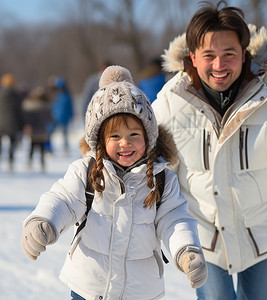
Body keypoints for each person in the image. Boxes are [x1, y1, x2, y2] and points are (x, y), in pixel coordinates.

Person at [152, 1, 267, 299]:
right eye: (209, 55)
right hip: (205, 235)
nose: (219, 65)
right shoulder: (170, 101)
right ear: (193, 56)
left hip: (261, 233)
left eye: (229, 54)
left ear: (244, 54)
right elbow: (150, 162)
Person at [21, 65, 208, 300]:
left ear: (148, 137)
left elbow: (174, 219)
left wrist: (186, 250)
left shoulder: (162, 179)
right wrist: (43, 221)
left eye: (134, 135)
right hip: (89, 287)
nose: (125, 143)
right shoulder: (86, 172)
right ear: (100, 139)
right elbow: (64, 200)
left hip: (139, 291)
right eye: (115, 136)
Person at [0, 73, 24, 171]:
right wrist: (21, 124)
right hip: (12, 122)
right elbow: (19, 110)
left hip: (0, 121)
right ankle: (11, 159)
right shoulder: (16, 95)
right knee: (12, 141)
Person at [22, 86, 52, 171]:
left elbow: (27, 119)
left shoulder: (30, 106)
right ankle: (42, 163)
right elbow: (50, 118)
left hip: (33, 131)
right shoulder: (46, 107)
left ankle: (29, 162)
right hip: (42, 130)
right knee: (41, 148)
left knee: (32, 147)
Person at [48, 77, 74, 153]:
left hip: (63, 117)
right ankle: (48, 148)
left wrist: (71, 116)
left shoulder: (66, 95)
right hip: (54, 117)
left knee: (64, 134)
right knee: (49, 134)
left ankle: (65, 148)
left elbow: (70, 107)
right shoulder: (53, 95)